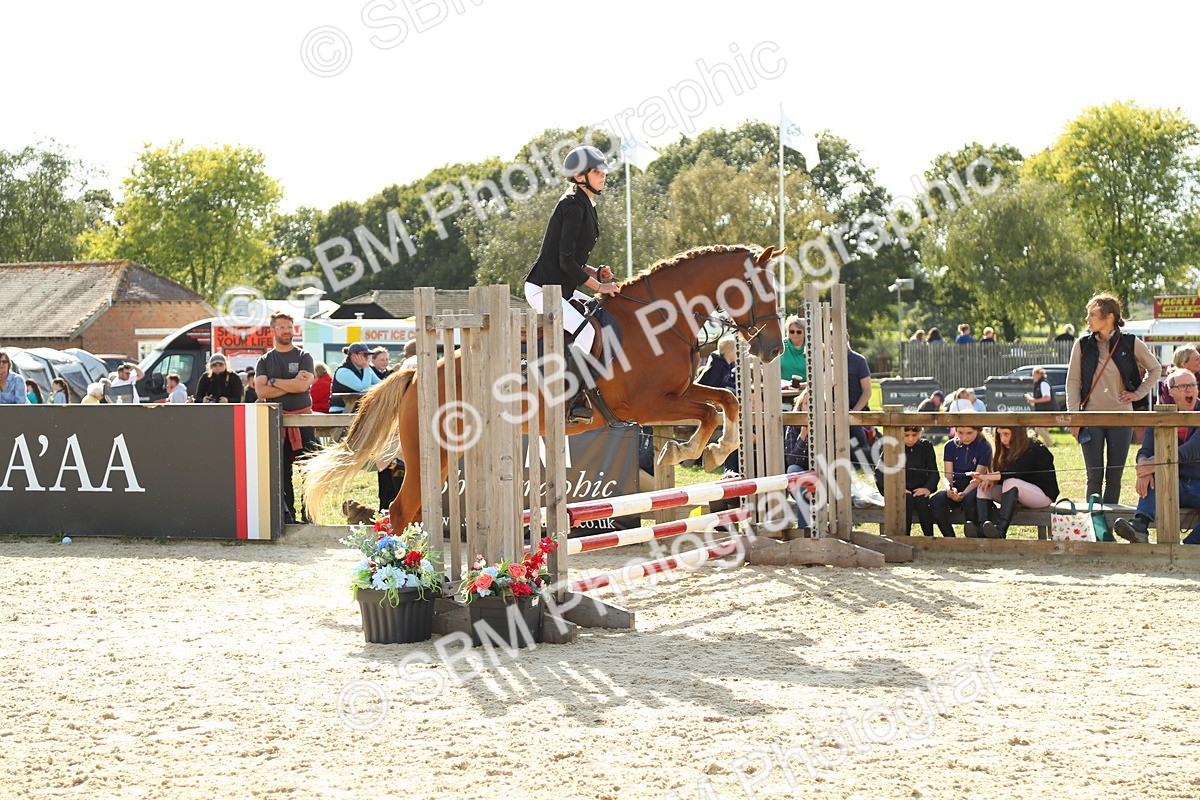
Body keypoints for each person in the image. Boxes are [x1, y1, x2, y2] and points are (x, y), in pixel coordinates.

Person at [523, 144, 621, 424]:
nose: (603, 175)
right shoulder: (572, 206)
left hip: (561, 288)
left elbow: (573, 261)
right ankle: (573, 400)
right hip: (543, 289)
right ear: (580, 177)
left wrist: (596, 272)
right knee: (587, 333)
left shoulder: (586, 205)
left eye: (603, 171)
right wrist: (598, 287)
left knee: (601, 314)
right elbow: (565, 262)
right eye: (597, 171)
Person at [1065, 292, 1161, 504]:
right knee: (1094, 477)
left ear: (1109, 317)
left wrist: (1137, 394)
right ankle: (1094, 521)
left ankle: (1109, 519)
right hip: (1090, 418)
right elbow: (1072, 382)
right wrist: (1074, 416)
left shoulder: (1130, 342)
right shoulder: (1081, 344)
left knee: (1114, 477)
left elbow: (1155, 369)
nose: (1087, 319)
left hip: (1122, 418)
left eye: (1092, 314)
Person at [1113, 369, 1200, 544]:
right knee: (1155, 479)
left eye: (1193, 385)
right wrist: (1144, 468)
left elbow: (1191, 450)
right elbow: (1145, 450)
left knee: (1157, 472)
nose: (1189, 390)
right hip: (1174, 482)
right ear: (1171, 391)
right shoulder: (1160, 414)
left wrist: (1155, 466)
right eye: (1183, 386)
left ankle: (1189, 546)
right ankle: (1140, 526)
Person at [255, 311, 317, 525]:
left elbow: (303, 386)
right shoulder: (265, 360)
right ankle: (287, 517)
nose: (286, 331)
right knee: (282, 472)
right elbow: (261, 392)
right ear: (273, 330)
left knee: (309, 471)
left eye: (289, 327)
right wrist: (291, 383)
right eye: (281, 327)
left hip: (304, 422)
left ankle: (309, 516)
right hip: (277, 423)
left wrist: (273, 381)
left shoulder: (304, 357)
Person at [971, 426, 1058, 539]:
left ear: (1017, 433)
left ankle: (1000, 531)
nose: (1003, 439)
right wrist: (991, 481)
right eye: (1000, 435)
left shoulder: (1034, 447)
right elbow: (1003, 474)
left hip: (1041, 496)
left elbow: (1014, 472)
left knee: (1011, 482)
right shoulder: (1003, 449)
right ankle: (982, 529)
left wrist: (986, 477)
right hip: (1014, 496)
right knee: (983, 488)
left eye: (1006, 434)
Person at [929, 425, 993, 537]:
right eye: (960, 432)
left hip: (974, 487)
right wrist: (949, 489)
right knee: (936, 501)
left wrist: (964, 493)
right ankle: (950, 537)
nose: (964, 437)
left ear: (978, 430)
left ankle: (975, 534)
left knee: (970, 500)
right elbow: (947, 475)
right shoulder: (949, 446)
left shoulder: (984, 447)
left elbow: (978, 477)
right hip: (956, 487)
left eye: (969, 433)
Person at [846, 339, 879, 487]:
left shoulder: (859, 360)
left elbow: (867, 391)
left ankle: (871, 462)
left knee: (859, 437)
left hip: (857, 410)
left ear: (847, 339)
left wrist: (854, 412)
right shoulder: (829, 361)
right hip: (836, 410)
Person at [901, 426, 940, 536]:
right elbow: (880, 473)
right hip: (900, 488)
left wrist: (928, 488)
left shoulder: (926, 446)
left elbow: (933, 472)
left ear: (920, 433)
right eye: (906, 435)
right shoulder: (892, 447)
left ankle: (929, 537)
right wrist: (896, 489)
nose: (910, 439)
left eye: (914, 435)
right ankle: (904, 537)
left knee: (922, 501)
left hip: (921, 487)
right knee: (906, 500)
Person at [330, 342, 382, 413]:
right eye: (365, 355)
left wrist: (366, 368)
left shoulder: (365, 369)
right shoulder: (343, 371)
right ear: (354, 355)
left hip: (357, 408)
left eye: (368, 355)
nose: (367, 357)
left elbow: (380, 384)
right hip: (341, 410)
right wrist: (366, 367)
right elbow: (363, 389)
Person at [1025, 367, 1055, 446]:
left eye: (1034, 374)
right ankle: (1047, 444)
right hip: (1042, 410)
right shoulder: (1039, 383)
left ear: (1039, 374)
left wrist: (1033, 400)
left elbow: (1047, 398)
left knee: (1039, 429)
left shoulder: (1043, 383)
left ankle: (1050, 444)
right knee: (1044, 429)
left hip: (1046, 410)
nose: (1032, 376)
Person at [780, 315, 807, 383]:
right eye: (792, 331)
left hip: (807, 387)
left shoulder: (811, 347)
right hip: (784, 387)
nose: (795, 334)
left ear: (805, 333)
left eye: (799, 332)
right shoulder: (781, 345)